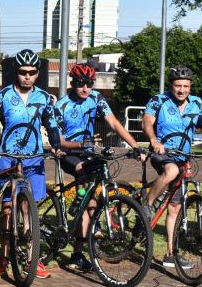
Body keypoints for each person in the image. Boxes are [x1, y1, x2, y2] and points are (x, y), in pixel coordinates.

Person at [54, 62, 144, 271]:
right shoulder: (61, 106)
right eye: (80, 84)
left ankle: (80, 250)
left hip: (88, 152)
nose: (85, 88)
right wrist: (81, 144)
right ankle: (81, 212)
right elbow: (59, 141)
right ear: (72, 83)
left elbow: (114, 123)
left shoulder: (96, 98)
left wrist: (135, 146)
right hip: (69, 154)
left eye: (89, 84)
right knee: (83, 176)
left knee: (93, 196)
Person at [141, 65, 202, 268]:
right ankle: (147, 205)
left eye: (186, 86)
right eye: (178, 86)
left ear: (190, 87)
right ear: (171, 85)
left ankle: (170, 254)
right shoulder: (159, 100)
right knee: (171, 170)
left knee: (175, 208)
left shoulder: (197, 103)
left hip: (183, 157)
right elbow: (147, 122)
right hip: (162, 153)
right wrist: (154, 140)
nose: (182, 90)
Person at [0, 49, 61, 279]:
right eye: (23, 72)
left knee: (29, 210)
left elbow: (52, 126)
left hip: (33, 159)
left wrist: (56, 145)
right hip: (8, 157)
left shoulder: (44, 98)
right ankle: (3, 257)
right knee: (7, 209)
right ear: (16, 72)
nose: (27, 76)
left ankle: (32, 258)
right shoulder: (4, 95)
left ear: (38, 73)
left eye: (32, 72)